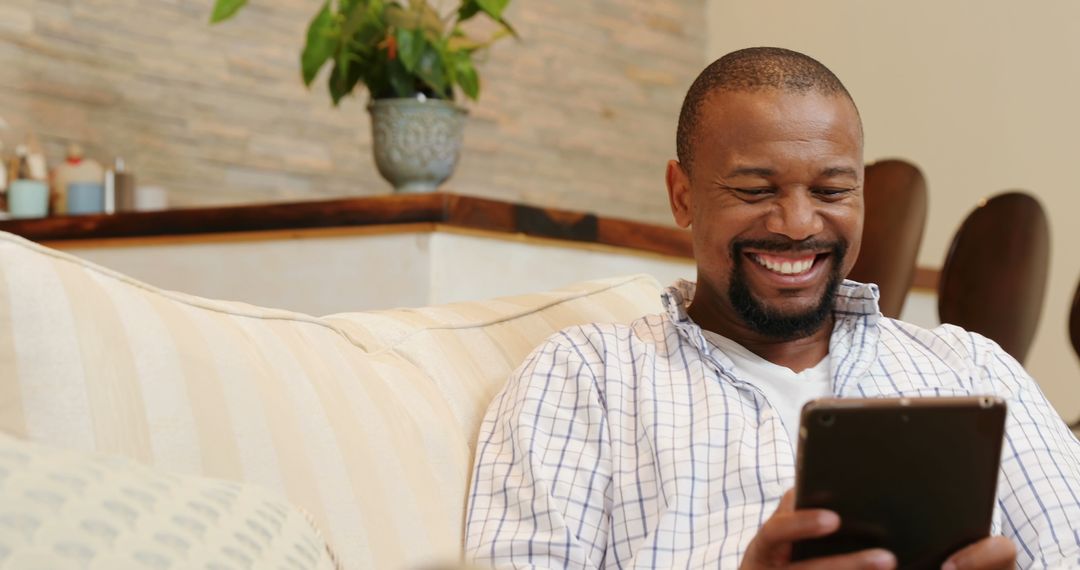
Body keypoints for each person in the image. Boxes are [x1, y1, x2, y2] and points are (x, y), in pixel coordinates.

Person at [463, 47, 1080, 569]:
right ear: (682, 195)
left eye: (831, 190)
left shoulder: (972, 370)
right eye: (755, 190)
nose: (798, 224)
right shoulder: (585, 378)